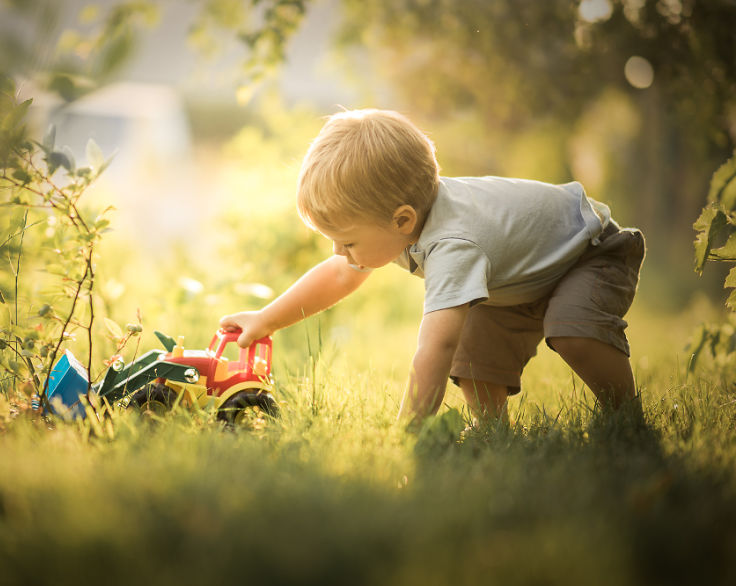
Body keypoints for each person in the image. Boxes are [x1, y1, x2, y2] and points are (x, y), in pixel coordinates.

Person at [219, 109, 645, 428]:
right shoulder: (406, 222)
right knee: (476, 350)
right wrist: (266, 319)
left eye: (347, 241)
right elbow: (339, 273)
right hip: (523, 271)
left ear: (401, 220)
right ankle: (492, 434)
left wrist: (408, 433)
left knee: (571, 329)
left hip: (590, 252)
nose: (338, 250)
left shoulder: (453, 244)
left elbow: (435, 349)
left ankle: (626, 419)